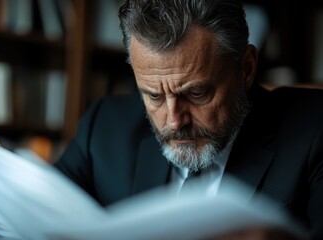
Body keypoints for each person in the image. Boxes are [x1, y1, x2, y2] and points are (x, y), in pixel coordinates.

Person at [54, 0, 323, 239]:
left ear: (246, 69)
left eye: (196, 93)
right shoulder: (105, 127)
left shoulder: (315, 130)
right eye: (154, 96)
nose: (173, 121)